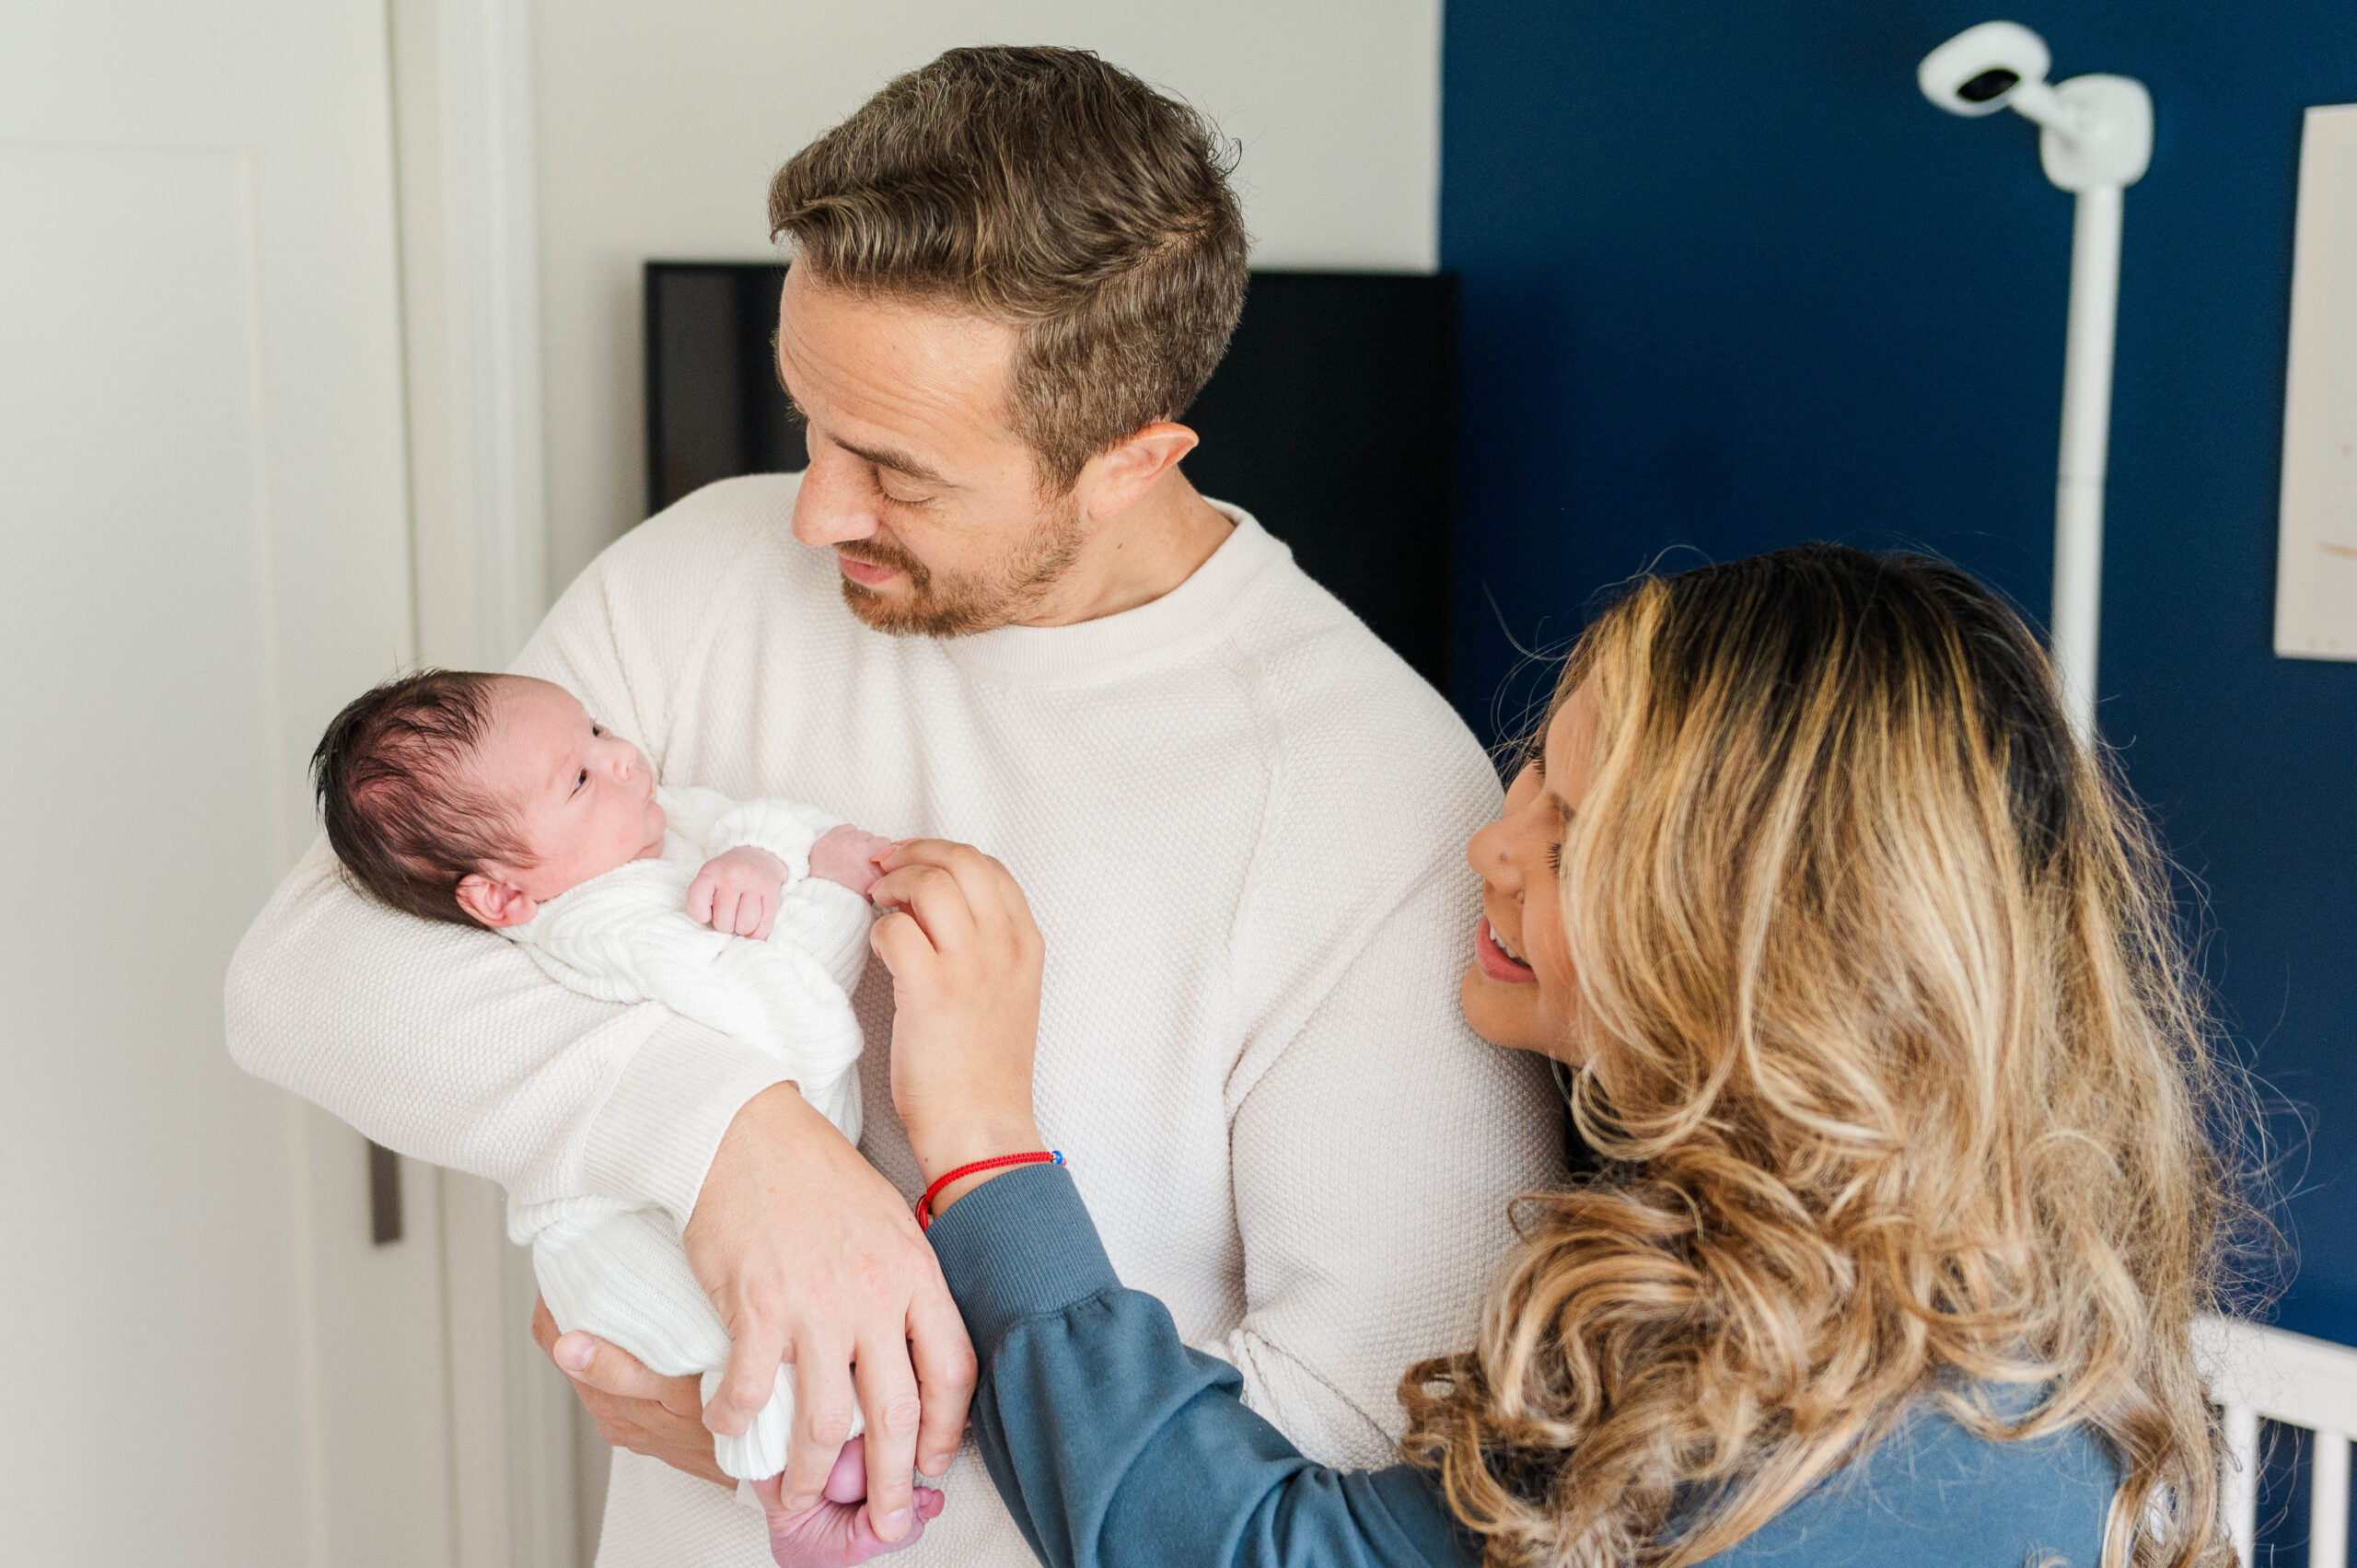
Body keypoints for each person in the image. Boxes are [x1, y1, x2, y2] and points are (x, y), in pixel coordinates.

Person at [224, 45, 1559, 1568]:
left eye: (896, 470)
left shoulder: (1373, 795)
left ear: (1130, 461)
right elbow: (299, 977)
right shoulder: (702, 574)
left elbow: (1360, 1449)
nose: (810, 511)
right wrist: (732, 1138)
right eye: (807, 415)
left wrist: (827, 1439)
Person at [824, 545, 2247, 1567]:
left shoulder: (1748, 1396)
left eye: (1572, 836)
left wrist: (983, 1140)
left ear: (1760, 942)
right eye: (1532, 775)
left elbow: (1246, 1544)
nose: (1492, 847)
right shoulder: (2023, 1317)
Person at [305, 668, 930, 1562]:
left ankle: (815, 1474)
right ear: (503, 897)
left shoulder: (656, 831)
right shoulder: (606, 926)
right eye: (579, 777)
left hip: (684, 1202)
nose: (625, 758)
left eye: (596, 730)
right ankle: (792, 1502)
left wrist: (767, 853)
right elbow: (790, 1021)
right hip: (620, 1234)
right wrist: (825, 888)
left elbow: (760, 821)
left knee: (791, 1332)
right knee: (745, 1341)